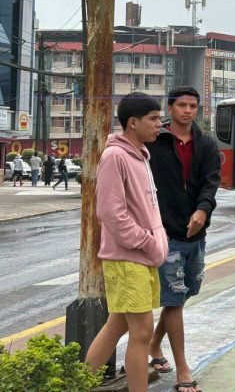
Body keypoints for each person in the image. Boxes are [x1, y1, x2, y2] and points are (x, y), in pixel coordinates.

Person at [84, 93, 168, 392]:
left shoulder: (141, 154)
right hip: (127, 256)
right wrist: (147, 241)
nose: (160, 124)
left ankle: (79, 383)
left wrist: (156, 241)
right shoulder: (115, 156)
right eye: (154, 119)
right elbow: (110, 212)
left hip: (141, 256)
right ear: (133, 123)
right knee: (142, 332)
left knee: (117, 325)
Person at [146, 87, 221, 392]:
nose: (188, 111)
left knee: (185, 293)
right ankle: (183, 371)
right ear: (171, 107)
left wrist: (203, 210)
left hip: (196, 232)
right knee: (174, 300)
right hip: (166, 233)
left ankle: (154, 344)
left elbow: (211, 182)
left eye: (193, 106)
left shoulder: (207, 144)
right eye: (182, 105)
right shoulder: (155, 141)